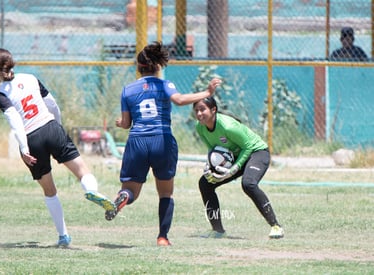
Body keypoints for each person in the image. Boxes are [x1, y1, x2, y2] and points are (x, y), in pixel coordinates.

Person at [0, 48, 116, 247]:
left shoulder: (0, 94)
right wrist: (57, 126)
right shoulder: (31, 78)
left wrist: (23, 149)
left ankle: (63, 236)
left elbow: (15, 121)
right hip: (51, 127)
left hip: (32, 138)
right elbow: (52, 104)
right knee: (82, 171)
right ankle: (91, 190)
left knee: (50, 190)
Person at [104, 41, 222, 246]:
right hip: (162, 140)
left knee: (132, 190)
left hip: (137, 140)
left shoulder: (128, 90)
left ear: (139, 68)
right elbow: (180, 100)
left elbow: (125, 123)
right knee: (165, 192)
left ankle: (124, 196)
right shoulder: (165, 85)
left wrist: (119, 123)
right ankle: (162, 237)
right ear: (157, 67)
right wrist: (207, 93)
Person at [193, 96, 284, 239]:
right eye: (196, 110)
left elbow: (247, 147)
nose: (199, 114)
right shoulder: (200, 127)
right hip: (235, 156)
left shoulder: (228, 126)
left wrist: (233, 170)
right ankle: (218, 231)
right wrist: (209, 166)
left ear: (214, 110)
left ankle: (276, 226)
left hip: (256, 152)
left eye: (202, 109)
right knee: (205, 183)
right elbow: (213, 148)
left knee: (248, 184)